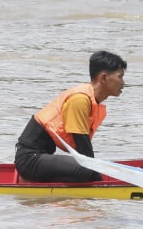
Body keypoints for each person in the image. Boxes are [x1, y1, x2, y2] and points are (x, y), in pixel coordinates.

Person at [15, 50, 128, 182]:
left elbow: (84, 153)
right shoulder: (80, 100)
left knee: (89, 169)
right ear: (103, 78)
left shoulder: (91, 100)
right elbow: (84, 150)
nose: (123, 83)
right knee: (87, 169)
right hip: (30, 159)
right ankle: (35, 182)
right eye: (120, 76)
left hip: (41, 156)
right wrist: (101, 181)